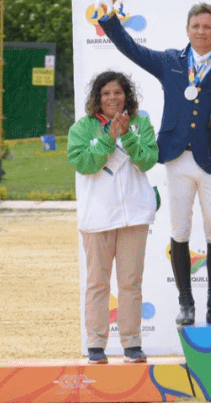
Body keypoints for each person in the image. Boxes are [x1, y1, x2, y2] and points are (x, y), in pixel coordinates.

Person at [98, 3, 211, 327]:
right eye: (195, 26)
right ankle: (186, 304)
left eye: (207, 26)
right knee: (179, 230)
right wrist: (109, 20)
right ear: (187, 30)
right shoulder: (170, 61)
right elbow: (131, 49)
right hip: (176, 157)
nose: (201, 31)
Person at [67, 71, 159, 365]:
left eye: (117, 92)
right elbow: (84, 163)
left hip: (134, 215)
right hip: (98, 217)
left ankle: (132, 344)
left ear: (126, 96)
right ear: (97, 98)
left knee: (131, 282)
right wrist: (108, 138)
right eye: (105, 93)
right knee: (97, 283)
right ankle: (96, 344)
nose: (112, 98)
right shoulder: (82, 128)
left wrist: (128, 135)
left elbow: (147, 159)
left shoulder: (140, 123)